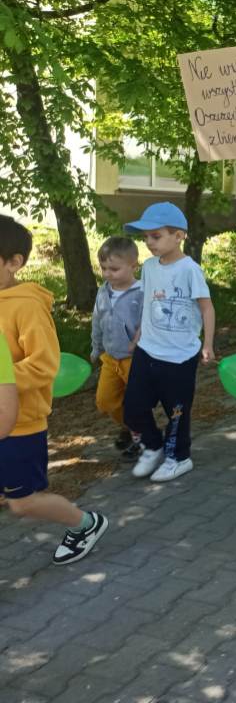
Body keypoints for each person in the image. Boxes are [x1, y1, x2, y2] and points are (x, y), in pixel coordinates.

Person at [0, 215, 109, 565]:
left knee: (22, 503)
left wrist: (2, 378)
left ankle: (86, 524)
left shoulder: (27, 306)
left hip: (20, 425)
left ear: (14, 262)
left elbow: (44, 364)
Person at [123, 202, 215, 483]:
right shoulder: (150, 267)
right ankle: (153, 446)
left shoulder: (189, 270)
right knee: (133, 408)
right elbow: (149, 303)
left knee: (176, 413)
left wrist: (208, 344)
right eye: (146, 237)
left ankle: (179, 457)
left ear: (179, 236)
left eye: (156, 236)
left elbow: (207, 308)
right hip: (147, 351)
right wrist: (139, 335)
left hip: (179, 357)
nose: (149, 243)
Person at [90, 236, 144, 457]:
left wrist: (139, 343)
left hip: (135, 358)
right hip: (110, 357)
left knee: (137, 402)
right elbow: (97, 320)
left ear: (133, 266)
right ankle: (130, 427)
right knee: (105, 401)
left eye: (114, 269)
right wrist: (96, 347)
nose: (107, 274)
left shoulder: (142, 292)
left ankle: (141, 437)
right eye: (103, 268)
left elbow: (149, 323)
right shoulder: (103, 291)